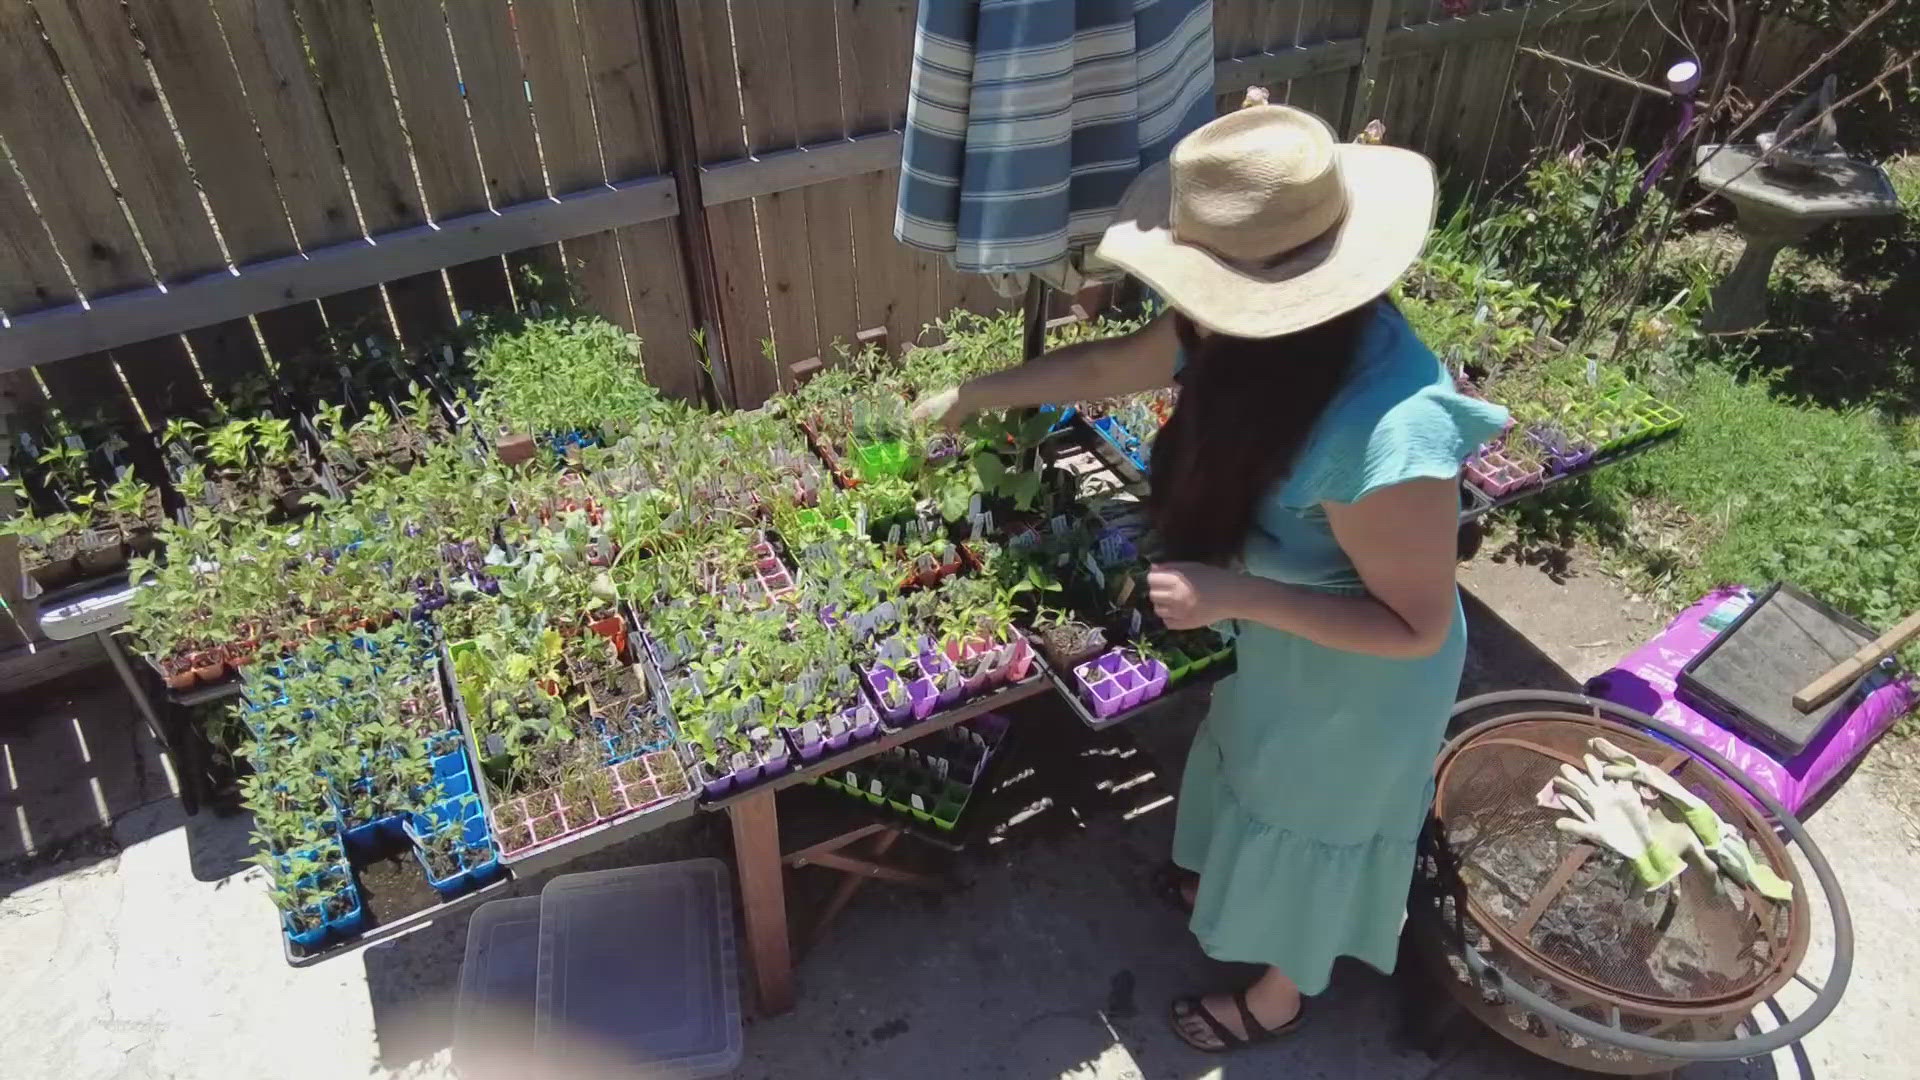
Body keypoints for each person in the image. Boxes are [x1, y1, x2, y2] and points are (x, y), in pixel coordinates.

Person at [912, 103, 1508, 1053]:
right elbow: (1119, 362)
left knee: (1316, 826)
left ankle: (1280, 993)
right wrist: (976, 394)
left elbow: (1416, 627)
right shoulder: (1257, 336)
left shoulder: (1394, 431)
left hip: (1363, 687)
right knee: (1254, 777)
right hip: (1282, 649)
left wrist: (1231, 596)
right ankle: (1233, 893)